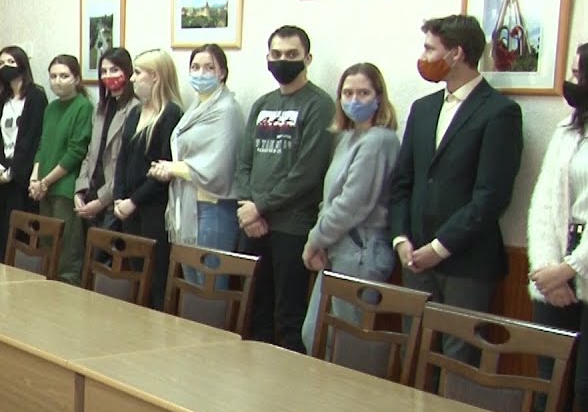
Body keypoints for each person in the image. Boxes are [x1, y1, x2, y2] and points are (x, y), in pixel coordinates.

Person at [389, 14, 523, 364]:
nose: (424, 57)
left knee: (457, 362)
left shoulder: (500, 112)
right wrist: (401, 238)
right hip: (415, 256)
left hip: (466, 262)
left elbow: (491, 196)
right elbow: (402, 181)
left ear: (456, 53)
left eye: (430, 49)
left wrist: (439, 247)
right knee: (415, 355)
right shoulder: (423, 108)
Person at [233, 26, 334, 352]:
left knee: (288, 316)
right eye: (276, 54)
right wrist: (248, 207)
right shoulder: (262, 103)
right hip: (253, 223)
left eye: (292, 54)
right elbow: (244, 161)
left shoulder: (319, 105)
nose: (283, 60)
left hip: (292, 226)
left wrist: (260, 207)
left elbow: (307, 172)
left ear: (308, 58)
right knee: (254, 311)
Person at [300, 63, 402, 347]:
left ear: (379, 97)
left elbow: (352, 204)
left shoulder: (379, 140)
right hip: (337, 245)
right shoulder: (347, 138)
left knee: (343, 343)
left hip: (361, 249)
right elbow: (330, 197)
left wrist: (314, 240)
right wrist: (321, 240)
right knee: (314, 335)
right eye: (347, 93)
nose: (354, 100)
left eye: (363, 93)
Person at [527, 41, 588, 412]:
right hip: (555, 276)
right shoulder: (568, 127)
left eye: (578, 73)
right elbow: (544, 202)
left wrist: (572, 268)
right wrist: (546, 269)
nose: (571, 80)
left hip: (582, 267)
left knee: (587, 392)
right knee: (549, 389)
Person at [152, 44, 244, 285]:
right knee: (191, 286)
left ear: (222, 73)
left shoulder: (226, 110)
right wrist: (170, 169)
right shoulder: (197, 106)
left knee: (209, 288)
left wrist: (173, 168)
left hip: (213, 209)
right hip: (189, 205)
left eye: (209, 68)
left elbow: (217, 167)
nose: (200, 73)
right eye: (195, 67)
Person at [113, 50, 183, 308]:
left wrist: (133, 200)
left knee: (155, 278)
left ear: (155, 77)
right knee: (135, 275)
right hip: (128, 207)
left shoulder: (170, 114)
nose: (132, 79)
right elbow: (122, 159)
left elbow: (162, 168)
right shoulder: (135, 113)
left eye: (138, 73)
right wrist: (119, 196)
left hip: (152, 208)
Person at [28, 54, 92, 284]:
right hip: (43, 188)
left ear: (77, 79)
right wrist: (35, 179)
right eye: (53, 76)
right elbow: (43, 146)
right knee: (47, 246)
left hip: (64, 187)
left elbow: (75, 152)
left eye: (64, 76)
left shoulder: (83, 106)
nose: (57, 81)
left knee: (67, 252)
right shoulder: (51, 107)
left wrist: (46, 182)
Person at [0, 45, 46, 261]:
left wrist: (12, 172)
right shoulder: (3, 98)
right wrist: (0, 167)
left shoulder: (36, 96)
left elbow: (32, 139)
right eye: (1, 63)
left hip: (23, 176)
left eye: (11, 62)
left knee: (20, 236)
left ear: (22, 64)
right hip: (3, 174)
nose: (5, 67)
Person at [73, 47, 139, 243]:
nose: (108, 76)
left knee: (103, 255)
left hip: (112, 199)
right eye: (104, 71)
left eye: (114, 70)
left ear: (127, 72)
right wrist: (80, 190)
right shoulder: (101, 108)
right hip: (90, 191)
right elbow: (90, 153)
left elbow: (125, 165)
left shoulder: (136, 109)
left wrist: (101, 201)